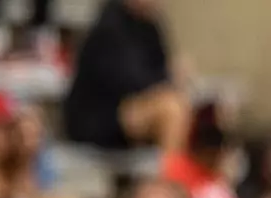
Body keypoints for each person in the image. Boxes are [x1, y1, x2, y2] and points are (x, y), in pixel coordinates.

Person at [62, 0, 190, 159]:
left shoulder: (150, 25)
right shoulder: (110, 26)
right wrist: (171, 77)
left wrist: (171, 77)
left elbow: (161, 67)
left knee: (187, 106)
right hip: (99, 119)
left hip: (131, 110)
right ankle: (168, 179)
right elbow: (132, 81)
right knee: (171, 110)